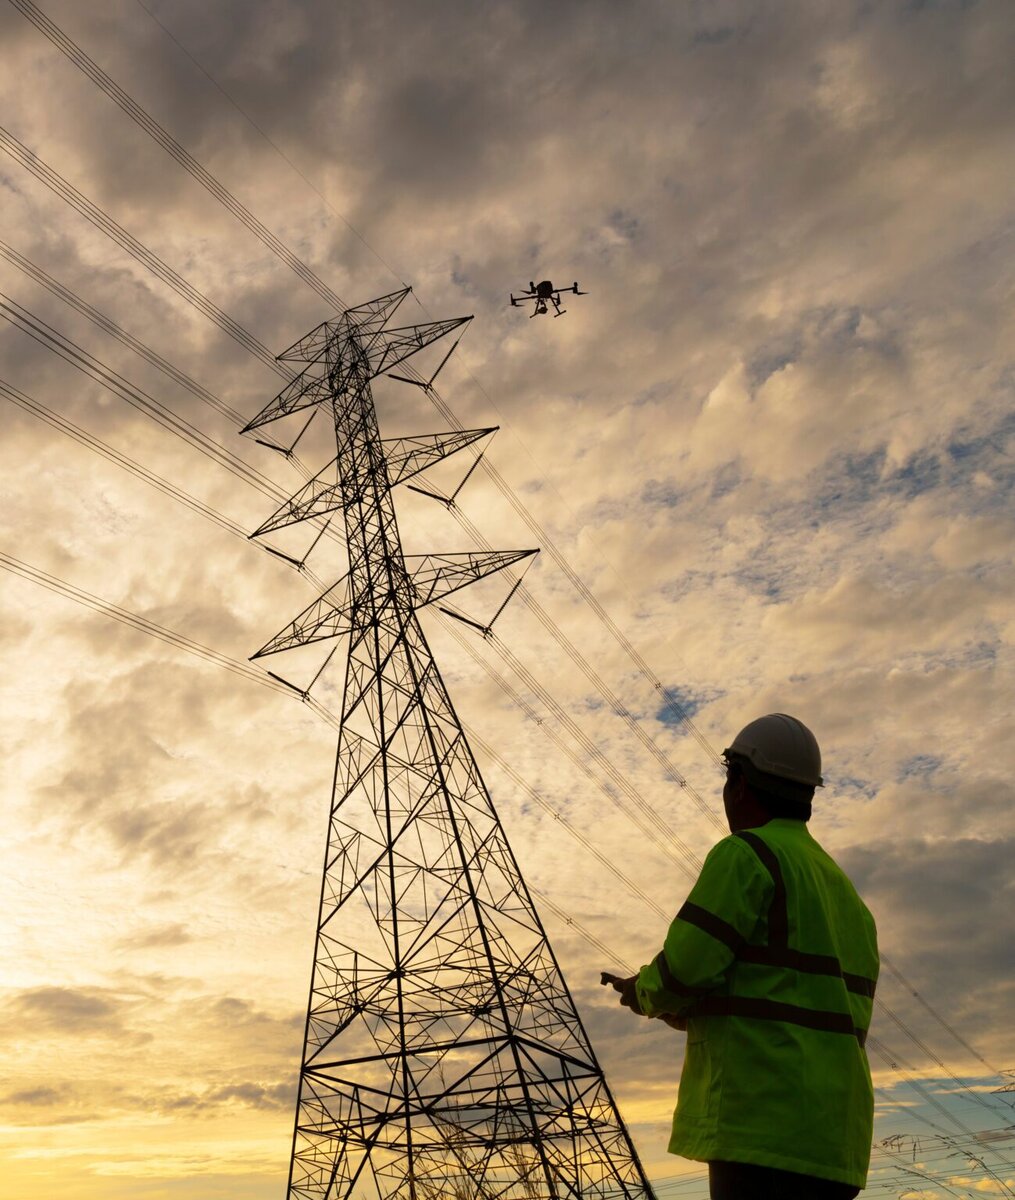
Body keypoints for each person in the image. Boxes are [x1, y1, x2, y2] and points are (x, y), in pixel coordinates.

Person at [607, 713, 879, 1199]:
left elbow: (685, 968)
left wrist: (645, 994)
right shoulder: (848, 898)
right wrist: (695, 1013)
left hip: (760, 1128)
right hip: (836, 1142)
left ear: (739, 784)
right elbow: (796, 1009)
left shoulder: (746, 856)